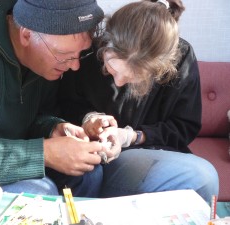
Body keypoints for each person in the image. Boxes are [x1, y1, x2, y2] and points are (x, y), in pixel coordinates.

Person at [0, 0, 113, 207]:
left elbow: (35, 117)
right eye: (64, 56)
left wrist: (53, 128)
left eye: (80, 54)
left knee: (87, 173)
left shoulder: (45, 59)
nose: (74, 65)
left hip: (5, 156)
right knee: (37, 193)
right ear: (27, 34)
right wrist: (46, 153)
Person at [59, 0, 219, 202]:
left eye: (133, 78)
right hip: (89, 152)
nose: (118, 82)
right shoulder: (87, 53)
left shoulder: (182, 57)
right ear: (105, 46)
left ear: (160, 70)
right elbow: (64, 103)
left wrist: (129, 137)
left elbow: (182, 128)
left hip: (145, 153)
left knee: (205, 177)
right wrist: (90, 119)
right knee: (87, 173)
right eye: (112, 69)